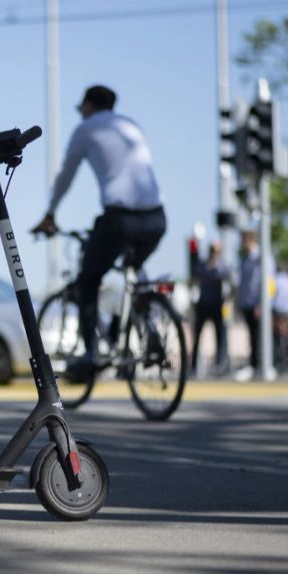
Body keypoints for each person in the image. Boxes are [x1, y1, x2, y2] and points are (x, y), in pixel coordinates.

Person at [31, 85, 166, 379]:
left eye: (82, 108)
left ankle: (90, 354)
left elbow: (66, 175)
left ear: (89, 106)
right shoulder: (130, 126)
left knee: (88, 281)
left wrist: (50, 213)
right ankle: (148, 331)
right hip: (157, 218)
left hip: (120, 218)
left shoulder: (86, 129)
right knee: (134, 269)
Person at [190, 241, 231, 376]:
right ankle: (193, 365)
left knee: (219, 336)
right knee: (197, 335)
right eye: (213, 250)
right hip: (203, 304)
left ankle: (219, 363)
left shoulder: (223, 267)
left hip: (217, 305)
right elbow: (195, 274)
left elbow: (227, 278)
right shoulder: (202, 266)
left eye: (217, 251)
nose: (214, 253)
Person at [238, 229, 262, 374]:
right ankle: (253, 364)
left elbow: (264, 282)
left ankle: (258, 365)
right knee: (252, 336)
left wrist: (260, 303)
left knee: (258, 335)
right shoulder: (245, 258)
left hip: (256, 302)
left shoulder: (260, 257)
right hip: (247, 301)